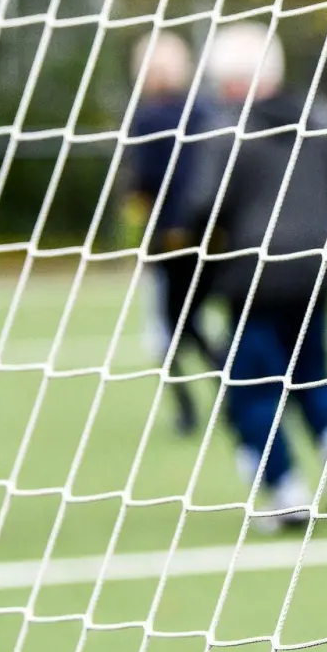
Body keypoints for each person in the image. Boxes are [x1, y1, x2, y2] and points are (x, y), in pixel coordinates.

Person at [173, 21, 327, 531]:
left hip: (254, 275)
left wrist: (196, 252)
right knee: (312, 367)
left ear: (234, 79)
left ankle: (287, 492)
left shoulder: (228, 130)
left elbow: (204, 205)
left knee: (252, 389)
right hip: (316, 268)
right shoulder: (322, 118)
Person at [125, 29, 223, 436]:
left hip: (171, 238)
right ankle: (225, 387)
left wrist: (141, 242)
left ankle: (191, 405)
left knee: (171, 327)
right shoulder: (205, 110)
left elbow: (141, 185)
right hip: (211, 234)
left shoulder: (147, 118)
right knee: (191, 321)